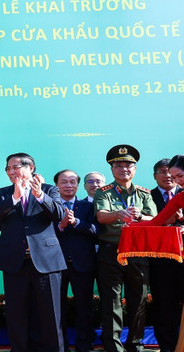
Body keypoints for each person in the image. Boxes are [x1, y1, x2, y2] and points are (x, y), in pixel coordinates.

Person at [0, 152, 66, 352]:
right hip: (15, 262)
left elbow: (58, 214)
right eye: (8, 168)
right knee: (16, 314)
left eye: (16, 167)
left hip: (46, 260)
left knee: (50, 314)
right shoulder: (1, 194)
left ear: (31, 168)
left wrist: (40, 195)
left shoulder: (49, 189)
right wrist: (15, 197)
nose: (12, 171)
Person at [93, 144, 156, 352]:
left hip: (138, 252)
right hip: (112, 250)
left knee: (138, 299)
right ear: (112, 170)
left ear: (135, 169)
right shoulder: (103, 193)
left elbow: (155, 220)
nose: (123, 169)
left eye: (128, 165)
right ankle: (113, 346)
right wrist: (118, 214)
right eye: (118, 166)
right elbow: (101, 217)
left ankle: (135, 344)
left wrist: (140, 216)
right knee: (112, 301)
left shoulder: (145, 194)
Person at [53, 169, 97, 352]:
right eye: (64, 182)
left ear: (78, 185)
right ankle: (60, 345)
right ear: (57, 185)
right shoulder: (51, 206)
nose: (68, 185)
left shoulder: (88, 206)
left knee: (84, 307)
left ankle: (84, 345)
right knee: (57, 309)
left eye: (72, 182)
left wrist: (77, 222)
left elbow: (97, 231)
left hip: (83, 263)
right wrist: (61, 226)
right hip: (56, 264)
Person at [145, 158, 182, 352]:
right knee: (164, 307)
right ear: (154, 176)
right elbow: (150, 224)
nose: (169, 176)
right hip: (160, 262)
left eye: (174, 174)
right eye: (163, 172)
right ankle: (168, 347)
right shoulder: (147, 196)